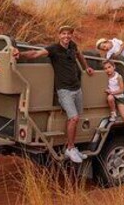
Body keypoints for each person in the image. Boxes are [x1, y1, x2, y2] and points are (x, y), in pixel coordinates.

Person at [12, 25, 94, 164]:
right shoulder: (54, 49)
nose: (66, 36)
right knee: (73, 118)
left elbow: (80, 55)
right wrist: (19, 54)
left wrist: (87, 67)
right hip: (64, 90)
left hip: (77, 88)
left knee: (76, 118)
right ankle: (70, 148)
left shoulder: (73, 46)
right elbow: (35, 54)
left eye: (69, 34)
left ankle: (72, 148)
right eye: (63, 34)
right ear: (59, 35)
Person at [102, 60, 124, 147]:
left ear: (114, 67)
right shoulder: (104, 76)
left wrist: (111, 92)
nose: (108, 70)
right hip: (112, 97)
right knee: (109, 98)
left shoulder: (118, 77)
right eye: (105, 68)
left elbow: (122, 89)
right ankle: (113, 113)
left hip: (119, 96)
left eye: (109, 67)